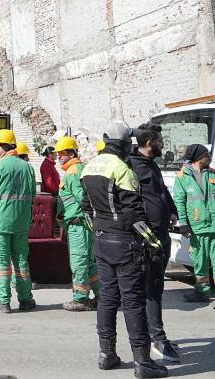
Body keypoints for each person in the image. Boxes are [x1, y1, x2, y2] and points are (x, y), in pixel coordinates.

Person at [80, 121, 167, 378]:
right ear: (123, 143)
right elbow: (135, 215)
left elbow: (86, 210)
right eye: (129, 140)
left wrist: (99, 231)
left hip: (101, 241)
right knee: (133, 302)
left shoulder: (90, 166)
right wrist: (155, 244)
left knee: (107, 298)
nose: (132, 143)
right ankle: (143, 362)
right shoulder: (122, 169)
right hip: (125, 244)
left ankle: (106, 354)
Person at [129, 124, 179, 363]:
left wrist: (172, 210)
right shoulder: (132, 166)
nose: (162, 144)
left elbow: (161, 193)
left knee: (156, 286)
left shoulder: (151, 165)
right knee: (151, 287)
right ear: (149, 142)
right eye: (159, 140)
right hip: (147, 237)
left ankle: (154, 335)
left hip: (162, 233)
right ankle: (156, 339)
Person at [172, 144, 215, 311]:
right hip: (197, 226)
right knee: (199, 261)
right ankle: (202, 292)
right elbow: (179, 201)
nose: (209, 157)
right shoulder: (182, 177)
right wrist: (183, 223)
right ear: (198, 158)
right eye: (206, 154)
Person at [0, 128, 37, 313]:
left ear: (4, 146)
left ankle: (4, 302)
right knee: (21, 261)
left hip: (0, 223)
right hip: (21, 223)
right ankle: (26, 300)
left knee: (2, 262)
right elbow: (33, 194)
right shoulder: (27, 167)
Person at [55, 135, 99, 312]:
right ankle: (102, 294)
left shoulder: (73, 172)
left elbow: (82, 198)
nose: (59, 157)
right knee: (89, 262)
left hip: (78, 223)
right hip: (81, 223)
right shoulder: (76, 169)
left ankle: (81, 299)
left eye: (62, 153)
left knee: (79, 260)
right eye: (58, 154)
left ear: (71, 153)